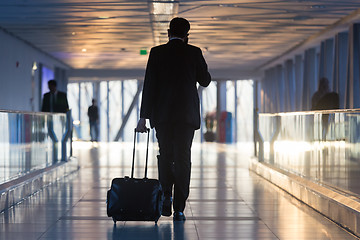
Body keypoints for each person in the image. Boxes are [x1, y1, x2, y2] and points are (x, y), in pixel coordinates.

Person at [136, 17, 211, 221]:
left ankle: (166, 194)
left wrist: (143, 118)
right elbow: (205, 80)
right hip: (186, 116)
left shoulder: (157, 52)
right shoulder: (194, 52)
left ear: (168, 32)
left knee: (166, 155)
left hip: (163, 116)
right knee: (183, 159)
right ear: (187, 35)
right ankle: (179, 208)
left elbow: (149, 85)